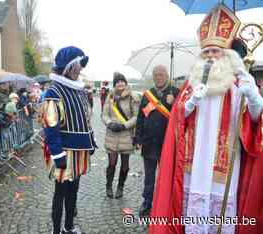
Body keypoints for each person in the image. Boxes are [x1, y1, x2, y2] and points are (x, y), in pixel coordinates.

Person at [149, 4, 263, 234]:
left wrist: (253, 96)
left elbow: (255, 121)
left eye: (216, 52)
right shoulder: (192, 84)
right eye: (207, 52)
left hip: (225, 162)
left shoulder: (238, 83)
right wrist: (191, 103)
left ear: (226, 55)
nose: (211, 56)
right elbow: (178, 120)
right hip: (194, 163)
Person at [41, 46, 96, 234]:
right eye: (78, 66)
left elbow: (85, 119)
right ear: (68, 67)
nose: (80, 69)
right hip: (64, 152)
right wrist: (57, 153)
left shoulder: (79, 91)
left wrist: (91, 141)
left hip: (80, 151)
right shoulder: (54, 92)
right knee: (60, 193)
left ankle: (69, 226)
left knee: (74, 191)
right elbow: (50, 124)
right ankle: (56, 231)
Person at [135, 65, 179, 217]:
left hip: (167, 143)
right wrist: (138, 138)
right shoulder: (148, 95)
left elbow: (182, 116)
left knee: (167, 175)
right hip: (149, 143)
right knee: (149, 177)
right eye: (156, 75)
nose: (158, 77)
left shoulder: (175, 92)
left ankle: (166, 204)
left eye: (161, 74)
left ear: (166, 75)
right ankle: (147, 203)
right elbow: (140, 117)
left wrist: (173, 103)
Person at [102, 72, 139, 199]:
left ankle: (120, 187)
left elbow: (136, 116)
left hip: (126, 135)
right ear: (115, 84)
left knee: (125, 165)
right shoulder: (110, 96)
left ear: (126, 82)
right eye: (117, 82)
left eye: (122, 81)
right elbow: (104, 114)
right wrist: (110, 123)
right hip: (112, 134)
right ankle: (108, 185)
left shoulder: (133, 97)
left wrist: (125, 126)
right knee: (112, 163)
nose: (120, 83)